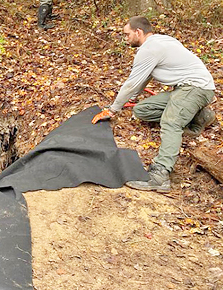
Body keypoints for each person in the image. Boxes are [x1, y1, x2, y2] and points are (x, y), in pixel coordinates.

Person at [92, 16, 217, 193]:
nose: (126, 39)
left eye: (127, 35)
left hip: (195, 87)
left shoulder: (149, 49)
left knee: (171, 122)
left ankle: (160, 175)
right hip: (186, 89)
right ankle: (201, 116)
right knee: (142, 110)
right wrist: (133, 98)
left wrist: (112, 110)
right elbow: (143, 78)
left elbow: (131, 83)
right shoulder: (161, 41)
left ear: (138, 32)